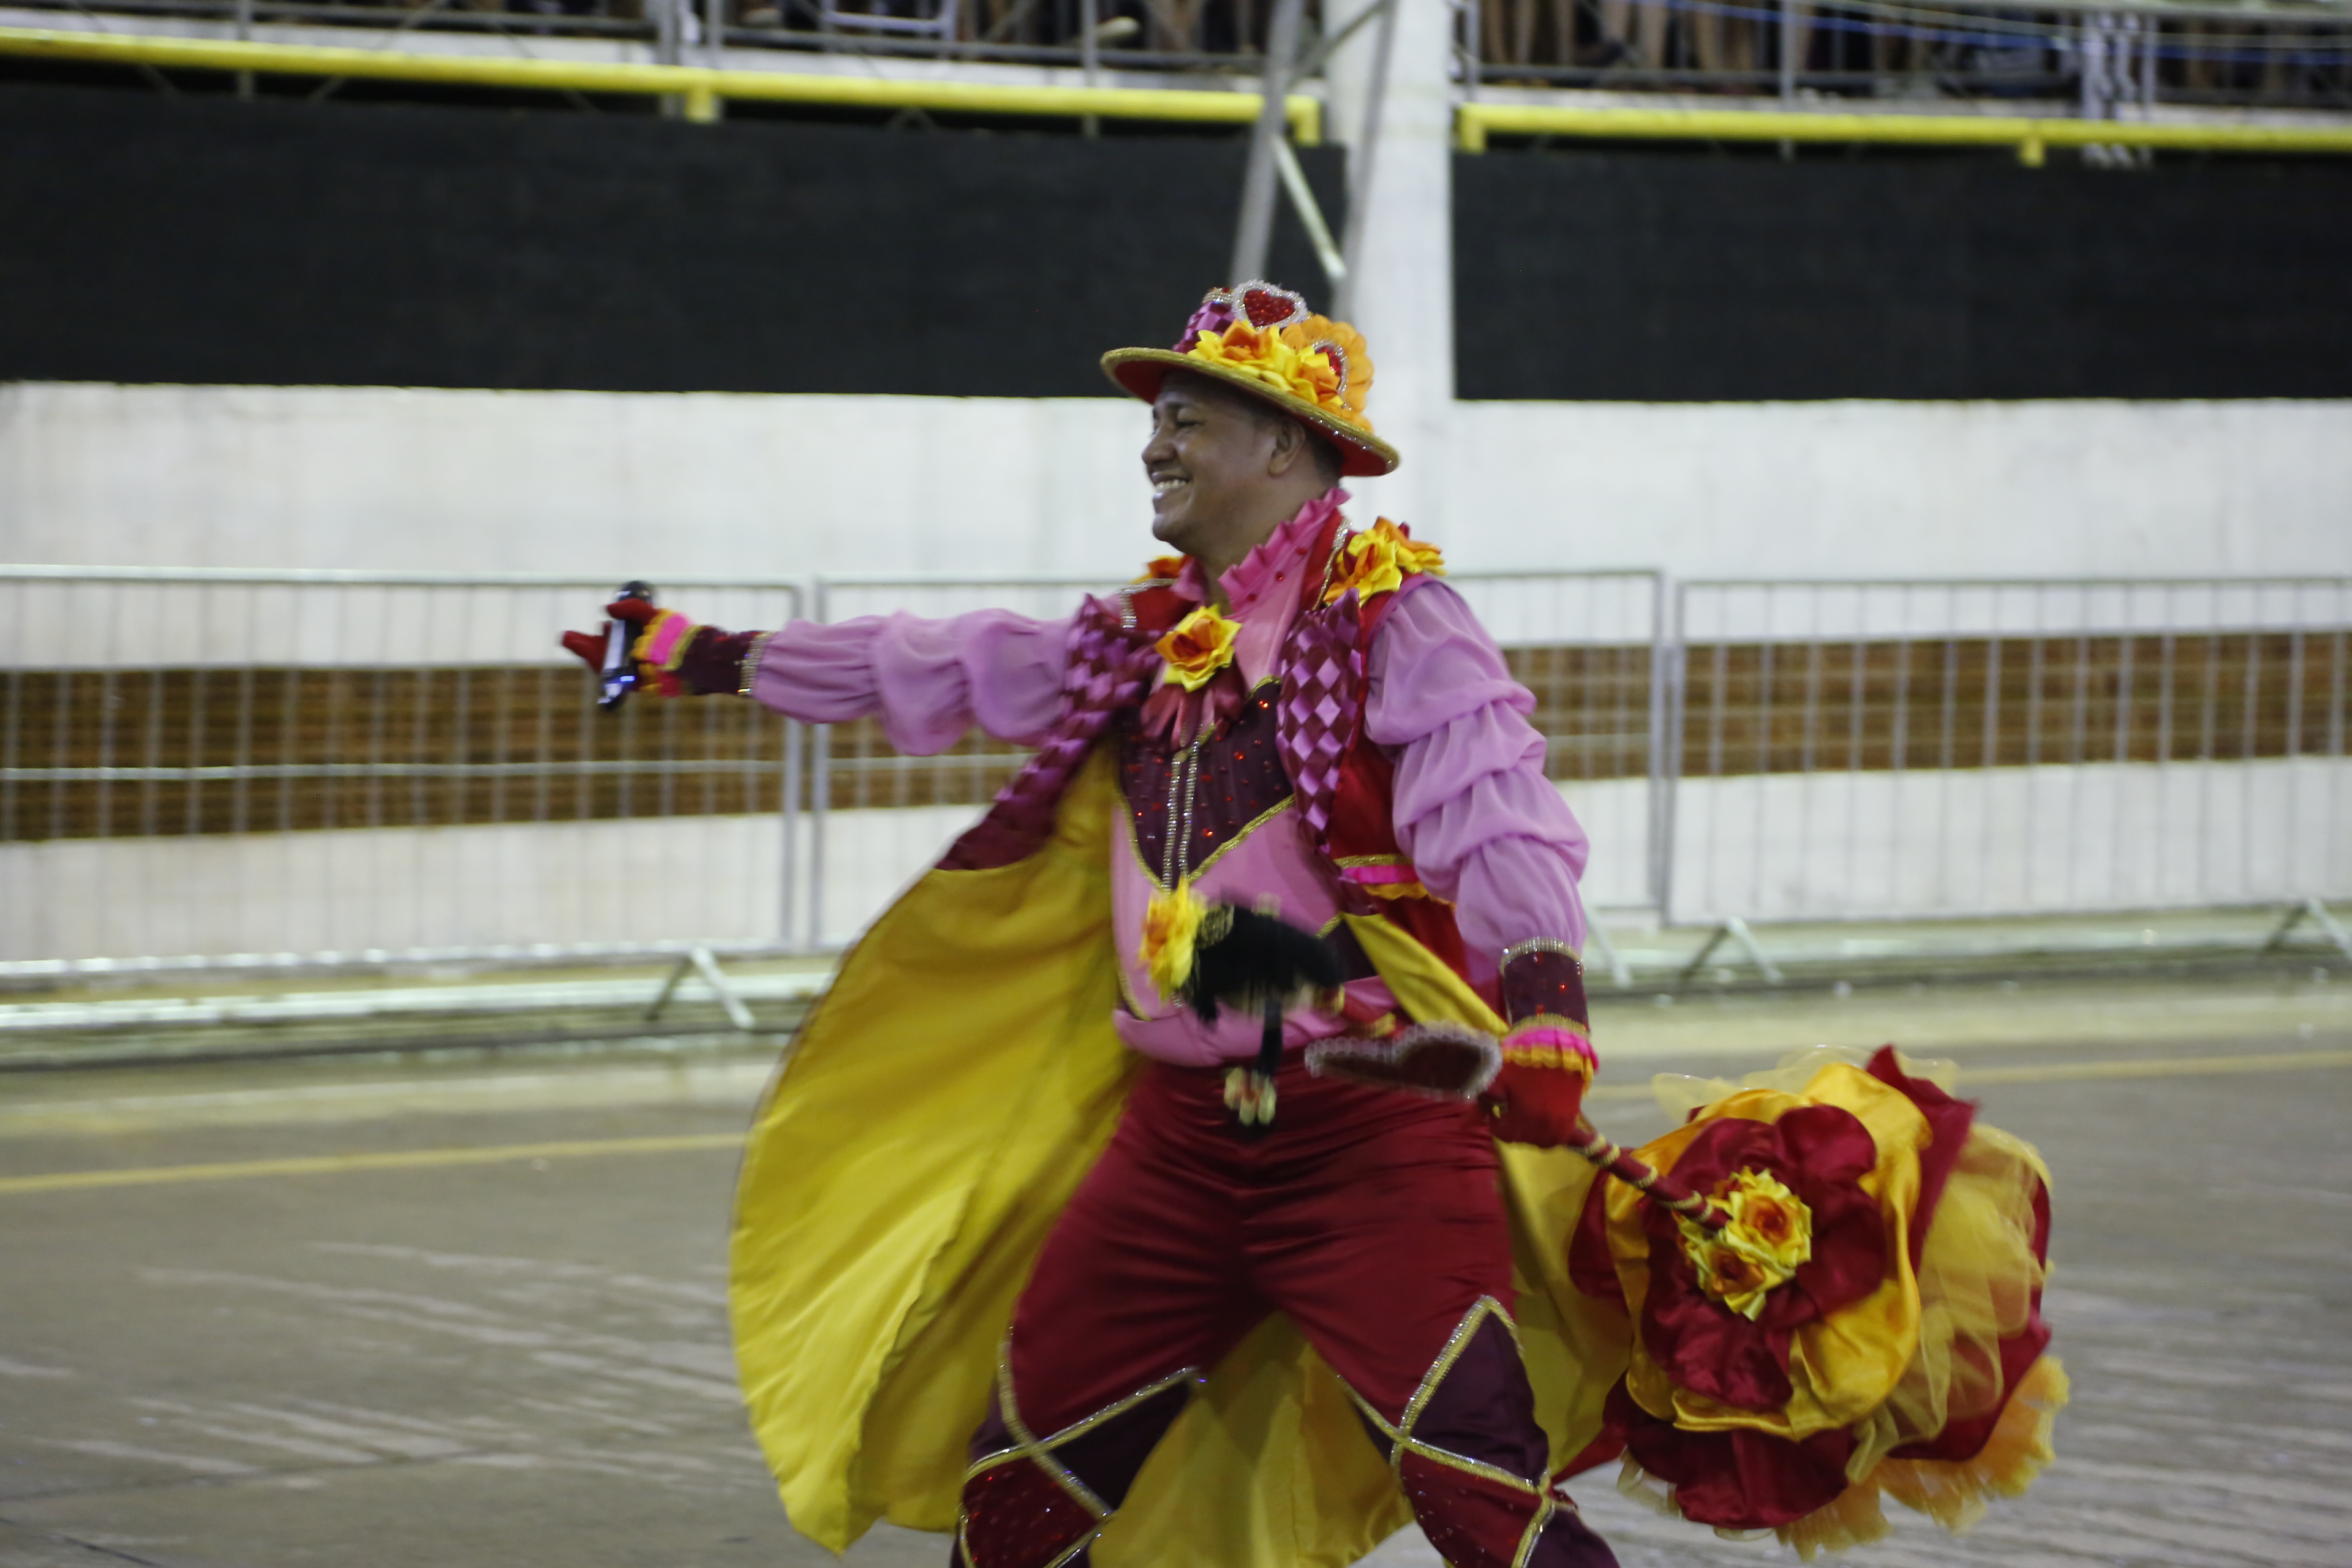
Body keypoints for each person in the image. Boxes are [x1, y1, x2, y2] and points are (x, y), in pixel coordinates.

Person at [567, 281, 1624, 1567]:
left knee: (1480, 1494)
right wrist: (708, 654)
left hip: (1370, 1140)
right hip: (1174, 1148)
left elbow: (1498, 815)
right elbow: (941, 661)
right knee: (1017, 1502)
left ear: (1283, 445)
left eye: (1187, 421)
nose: (1153, 446)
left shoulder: (1394, 618)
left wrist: (1548, 1014)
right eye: (1156, 422)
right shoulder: (1141, 637)